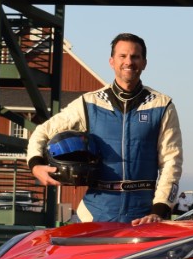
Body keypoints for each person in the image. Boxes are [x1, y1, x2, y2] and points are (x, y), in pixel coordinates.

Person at [27, 32, 183, 224]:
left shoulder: (162, 105)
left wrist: (158, 210)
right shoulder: (89, 103)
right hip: (94, 215)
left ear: (144, 63)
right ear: (111, 61)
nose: (129, 62)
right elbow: (42, 131)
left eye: (135, 57)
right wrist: (35, 165)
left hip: (145, 217)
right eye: (122, 56)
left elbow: (171, 162)